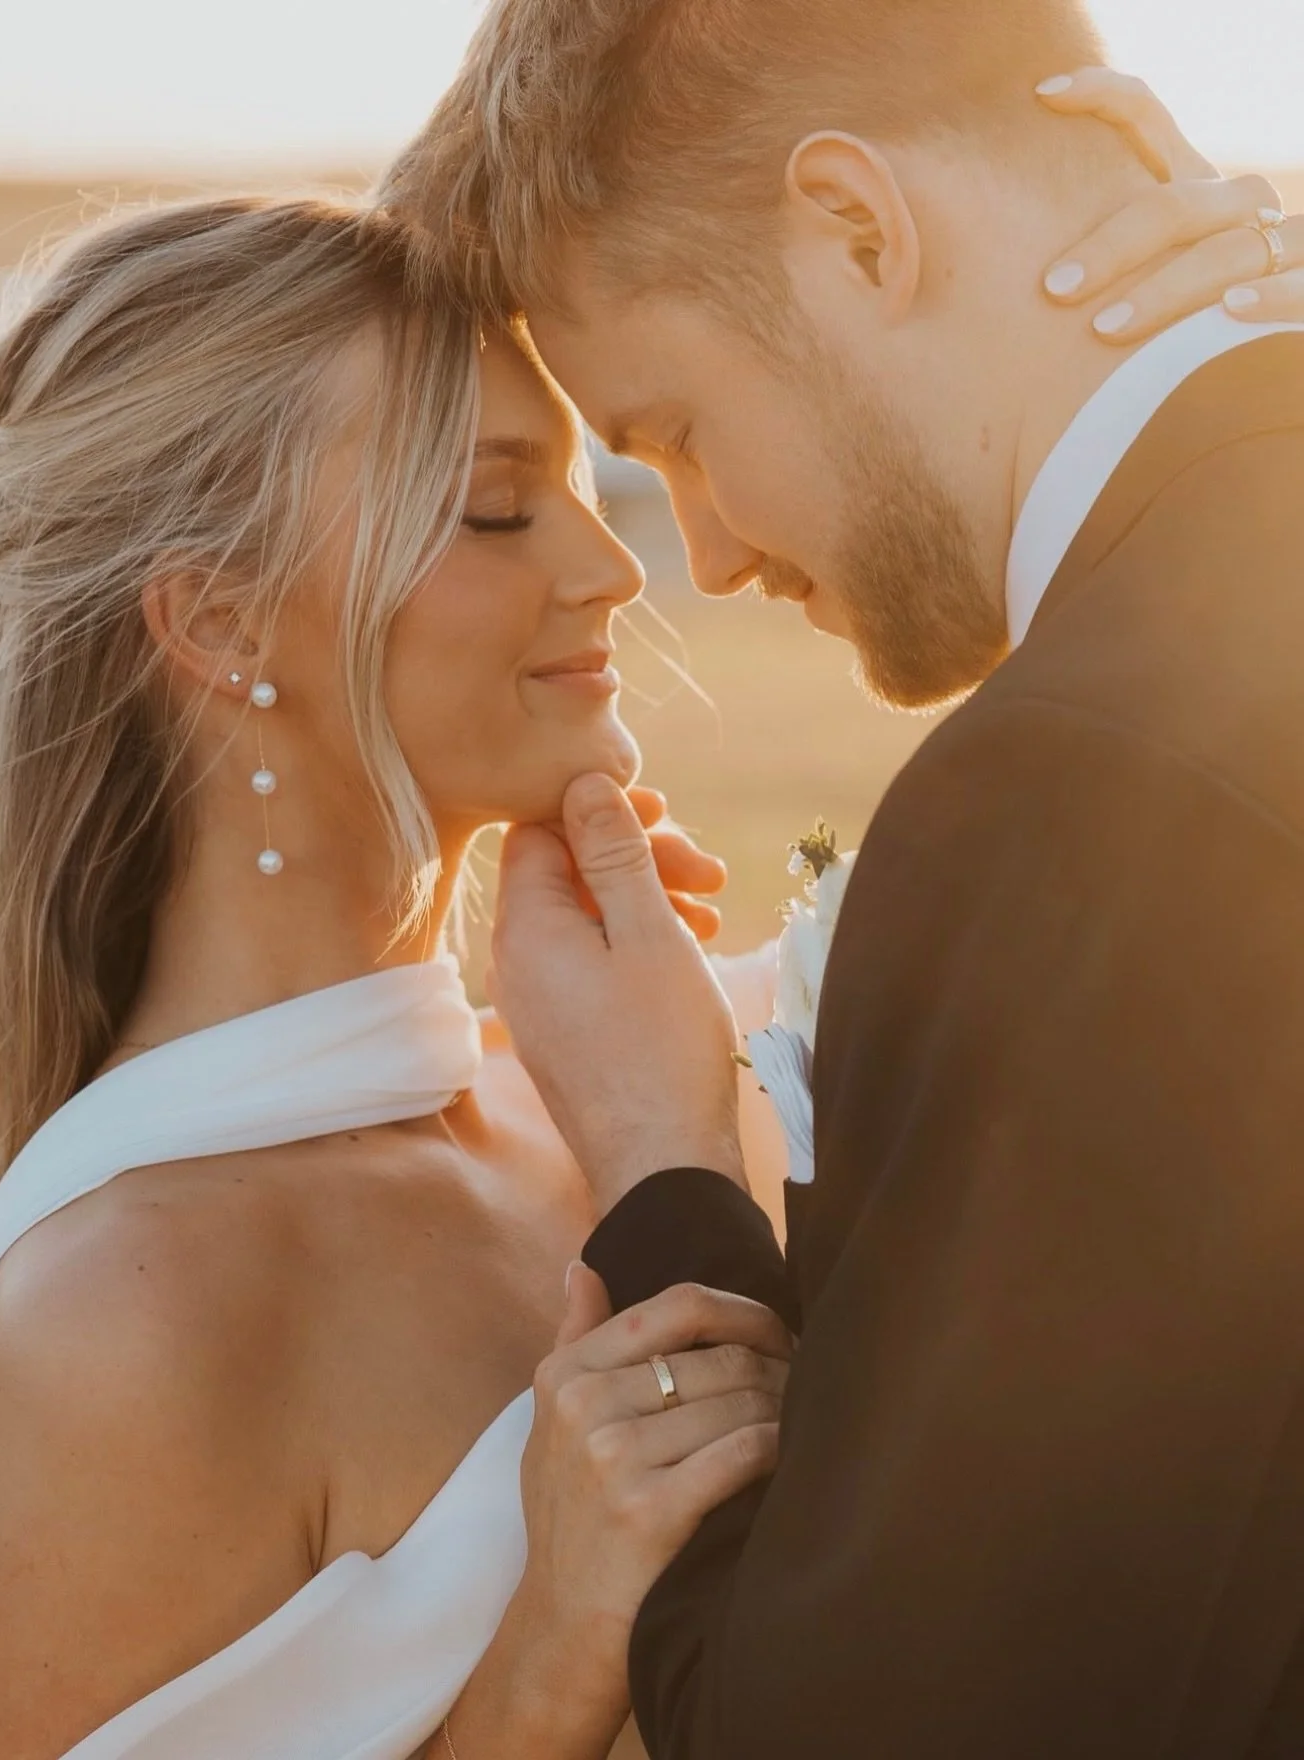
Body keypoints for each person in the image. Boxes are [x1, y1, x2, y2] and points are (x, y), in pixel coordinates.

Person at [0, 78, 1295, 1760]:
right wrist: (545, 1667)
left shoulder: (663, 1087)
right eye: (498, 508)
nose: (620, 568)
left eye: (599, 480)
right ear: (223, 621)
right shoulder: (114, 1324)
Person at [392, 2, 1304, 1755]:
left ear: (862, 230)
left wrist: (664, 1169)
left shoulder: (1085, 785)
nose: (707, 552)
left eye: (673, 431)